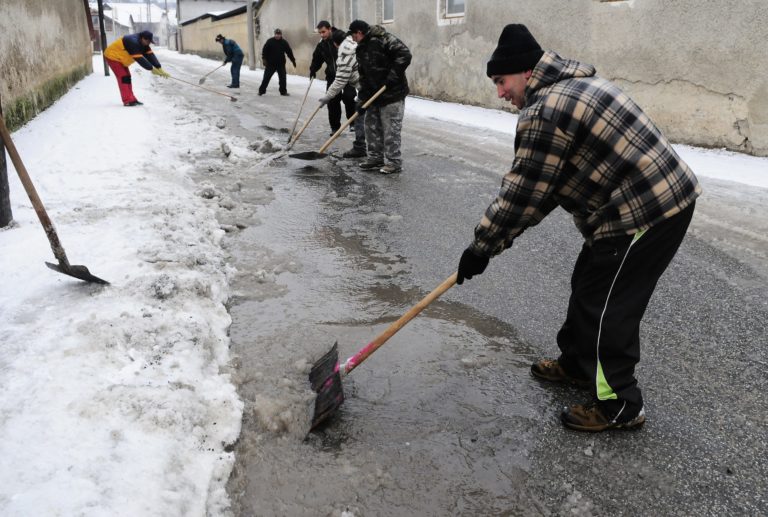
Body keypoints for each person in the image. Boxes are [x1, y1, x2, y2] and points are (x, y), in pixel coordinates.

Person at [456, 24, 701, 432]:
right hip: (633, 202)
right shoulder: (573, 86)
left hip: (649, 209)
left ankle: (620, 405)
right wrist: (495, 241)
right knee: (587, 281)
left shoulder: (545, 111)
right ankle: (575, 363)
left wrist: (481, 247)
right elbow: (547, 186)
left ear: (526, 72)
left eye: (501, 81)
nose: (499, 92)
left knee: (607, 306)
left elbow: (524, 192)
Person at [348, 20, 411, 175]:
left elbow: (405, 54)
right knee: (371, 128)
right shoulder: (361, 48)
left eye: (353, 35)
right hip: (373, 95)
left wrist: (392, 77)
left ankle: (393, 162)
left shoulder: (383, 39)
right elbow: (363, 75)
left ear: (359, 32)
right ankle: (375, 158)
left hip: (392, 93)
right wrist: (362, 98)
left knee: (391, 130)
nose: (352, 39)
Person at [318, 30, 366, 159]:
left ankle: (363, 148)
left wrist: (328, 96)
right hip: (368, 86)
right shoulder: (353, 44)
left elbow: (340, 80)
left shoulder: (345, 54)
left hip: (367, 88)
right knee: (367, 118)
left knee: (364, 118)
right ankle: (365, 148)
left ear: (335, 44)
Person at [310, 21, 357, 134]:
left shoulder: (342, 39)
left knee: (349, 97)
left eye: (324, 32)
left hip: (347, 74)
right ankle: (335, 127)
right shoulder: (322, 44)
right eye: (320, 33)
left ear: (330, 29)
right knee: (332, 101)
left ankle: (353, 123)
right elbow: (317, 58)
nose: (322, 35)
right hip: (332, 75)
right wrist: (313, 69)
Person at [104, 31, 170, 106]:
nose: (149, 43)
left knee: (127, 77)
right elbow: (140, 59)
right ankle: (128, 100)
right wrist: (151, 69)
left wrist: (159, 67)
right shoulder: (133, 42)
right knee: (124, 77)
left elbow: (150, 55)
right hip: (112, 56)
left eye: (150, 42)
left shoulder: (144, 44)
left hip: (121, 59)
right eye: (148, 41)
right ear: (143, 38)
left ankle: (131, 99)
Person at [259, 29, 296, 96]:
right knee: (266, 78)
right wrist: (264, 59)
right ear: (274, 34)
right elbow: (264, 50)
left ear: (281, 35)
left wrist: (293, 60)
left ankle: (283, 92)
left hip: (281, 64)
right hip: (270, 64)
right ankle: (261, 91)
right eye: (276, 34)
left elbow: (289, 52)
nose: (277, 35)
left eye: (279, 34)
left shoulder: (284, 42)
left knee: (283, 79)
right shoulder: (270, 41)